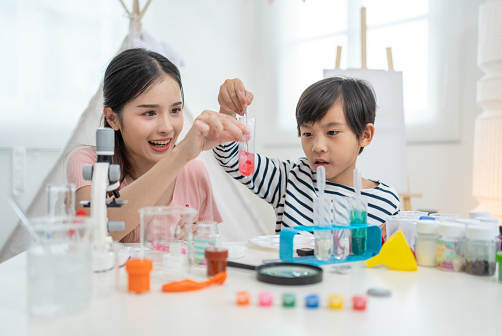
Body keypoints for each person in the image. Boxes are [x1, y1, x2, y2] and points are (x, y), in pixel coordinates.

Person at [66, 49, 250, 243]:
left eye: (175, 110)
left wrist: (196, 242)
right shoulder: (88, 163)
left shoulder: (195, 172)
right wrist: (179, 156)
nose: (167, 128)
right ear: (113, 118)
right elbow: (92, 234)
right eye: (150, 113)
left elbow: (206, 256)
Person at [213, 77, 400, 238]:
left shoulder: (386, 200)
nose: (317, 146)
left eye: (332, 132)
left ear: (365, 135)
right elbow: (229, 157)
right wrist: (227, 110)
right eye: (307, 134)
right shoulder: (288, 179)